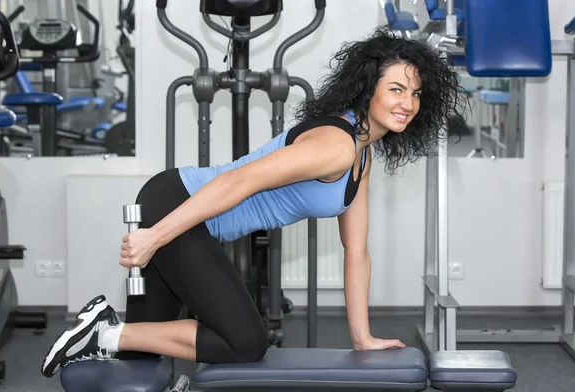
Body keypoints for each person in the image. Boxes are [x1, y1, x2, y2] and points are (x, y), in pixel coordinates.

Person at [41, 26, 467, 377]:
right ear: (367, 89)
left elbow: (356, 252)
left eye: (415, 95)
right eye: (396, 89)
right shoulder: (337, 145)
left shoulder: (361, 153)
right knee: (246, 341)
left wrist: (363, 338)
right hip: (176, 206)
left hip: (182, 212)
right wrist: (154, 236)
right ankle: (101, 333)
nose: (407, 104)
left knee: (141, 358)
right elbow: (240, 180)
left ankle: (105, 335)